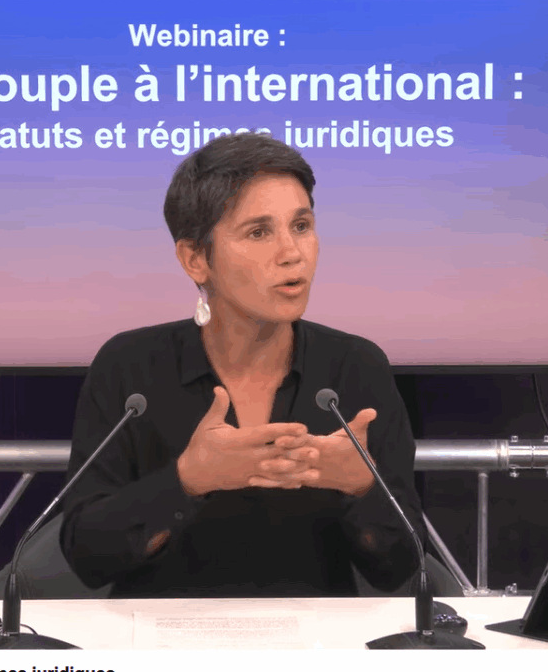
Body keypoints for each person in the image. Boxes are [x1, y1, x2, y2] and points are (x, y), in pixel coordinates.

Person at [59, 132, 424, 597]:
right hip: (156, 636)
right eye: (258, 232)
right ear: (196, 259)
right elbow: (87, 557)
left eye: (301, 225)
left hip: (316, 637)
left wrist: (361, 488)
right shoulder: (131, 367)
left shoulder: (354, 366)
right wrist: (186, 481)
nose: (292, 253)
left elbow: (401, 569)